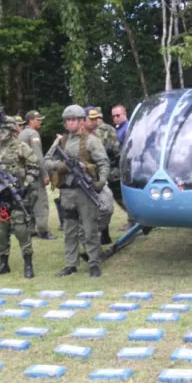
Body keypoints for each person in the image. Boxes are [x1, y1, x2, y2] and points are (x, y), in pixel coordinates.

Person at [45, 105, 109, 278]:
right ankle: (71, 264)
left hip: (85, 192)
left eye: (74, 119)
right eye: (68, 120)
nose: (70, 123)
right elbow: (46, 161)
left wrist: (101, 181)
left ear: (82, 121)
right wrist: (60, 165)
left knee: (90, 230)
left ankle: (94, 263)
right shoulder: (61, 142)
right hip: (67, 192)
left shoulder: (92, 141)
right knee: (69, 230)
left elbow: (103, 163)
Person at [0, 115, 39, 278]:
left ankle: (28, 264)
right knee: (0, 231)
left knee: (21, 229)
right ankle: (3, 264)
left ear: (11, 130)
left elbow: (34, 167)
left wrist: (25, 185)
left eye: (4, 129)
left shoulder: (21, 147)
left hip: (17, 195)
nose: (1, 132)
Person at [18, 110, 56, 240]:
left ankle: (31, 229)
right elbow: (38, 156)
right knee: (41, 201)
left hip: (24, 174)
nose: (40, 122)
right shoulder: (33, 134)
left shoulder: (21, 134)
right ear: (31, 121)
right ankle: (43, 230)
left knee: (30, 201)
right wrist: (45, 174)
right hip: (35, 173)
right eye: (37, 120)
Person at [85, 106, 118, 244]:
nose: (94, 121)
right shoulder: (81, 136)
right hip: (88, 176)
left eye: (96, 118)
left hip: (103, 172)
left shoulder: (104, 131)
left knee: (106, 205)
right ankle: (94, 238)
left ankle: (103, 234)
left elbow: (116, 149)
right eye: (91, 119)